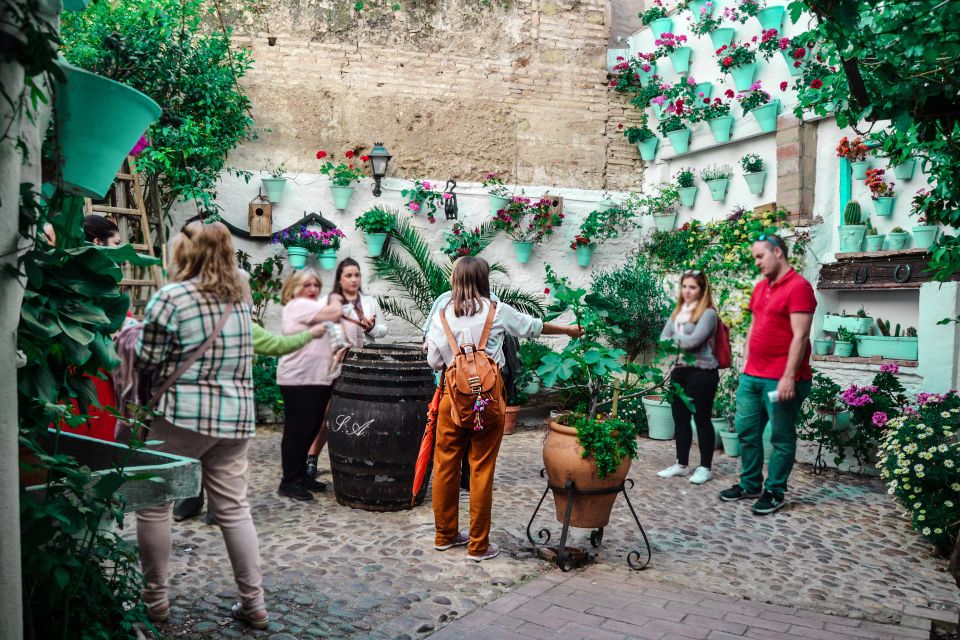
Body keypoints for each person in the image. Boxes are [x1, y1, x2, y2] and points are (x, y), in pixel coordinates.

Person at [133, 221, 269, 629]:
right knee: (234, 510)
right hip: (236, 417)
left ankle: (155, 602)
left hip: (181, 418)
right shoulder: (241, 292)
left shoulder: (170, 298)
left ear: (183, 252)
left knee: (155, 506)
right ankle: (255, 604)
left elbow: (145, 360)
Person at [425, 256, 582, 561]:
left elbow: (433, 361)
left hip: (452, 400)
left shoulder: (442, 314)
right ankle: (478, 546)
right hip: (488, 402)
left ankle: (445, 536)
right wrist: (568, 331)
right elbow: (534, 328)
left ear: (455, 280)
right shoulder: (496, 311)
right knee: (481, 469)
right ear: (485, 280)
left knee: (445, 466)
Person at [719, 233, 815, 514]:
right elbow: (754, 324)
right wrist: (746, 360)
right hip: (753, 376)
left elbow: (800, 336)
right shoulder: (762, 287)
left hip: (781, 378)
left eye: (760, 256)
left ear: (777, 252)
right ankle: (750, 484)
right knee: (747, 431)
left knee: (780, 437)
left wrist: (788, 376)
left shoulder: (799, 287)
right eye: (754, 258)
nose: (757, 262)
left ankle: (775, 491)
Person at [305, 258, 387, 480]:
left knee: (362, 415)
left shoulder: (369, 302)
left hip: (363, 364)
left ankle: (357, 458)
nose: (353, 279)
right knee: (326, 413)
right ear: (340, 279)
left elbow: (383, 330)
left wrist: (371, 328)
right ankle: (312, 458)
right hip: (333, 363)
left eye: (356, 275)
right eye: (348, 275)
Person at [276, 269, 344, 501]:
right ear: (295, 287)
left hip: (316, 378)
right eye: (307, 285)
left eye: (316, 285)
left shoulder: (312, 308)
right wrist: (336, 295)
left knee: (311, 428)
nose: (313, 289)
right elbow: (335, 312)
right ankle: (288, 481)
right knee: (297, 430)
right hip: (298, 379)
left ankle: (300, 475)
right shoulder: (298, 305)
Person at [657, 270, 720, 485]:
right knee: (680, 418)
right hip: (680, 370)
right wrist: (679, 339)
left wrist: (676, 339)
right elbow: (662, 338)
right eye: (685, 286)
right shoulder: (678, 312)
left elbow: (694, 341)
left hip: (702, 373)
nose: (687, 291)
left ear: (702, 290)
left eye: (692, 287)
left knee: (702, 420)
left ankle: (705, 467)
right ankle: (681, 465)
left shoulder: (709, 314)